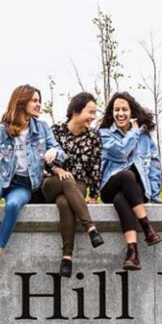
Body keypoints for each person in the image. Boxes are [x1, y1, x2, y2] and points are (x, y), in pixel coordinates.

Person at [0, 84, 64, 280]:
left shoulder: (41, 128)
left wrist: (55, 152)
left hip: (25, 184)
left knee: (13, 205)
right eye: (34, 100)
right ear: (22, 102)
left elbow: (60, 151)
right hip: (2, 178)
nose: (38, 104)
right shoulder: (2, 130)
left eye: (39, 100)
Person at [98, 91, 162, 271]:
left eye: (124, 109)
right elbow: (121, 152)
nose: (120, 113)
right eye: (116, 109)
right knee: (126, 175)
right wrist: (134, 132)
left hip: (135, 190)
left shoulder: (145, 137)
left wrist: (155, 195)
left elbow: (155, 165)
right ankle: (147, 228)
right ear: (111, 113)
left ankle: (132, 252)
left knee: (122, 199)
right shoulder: (104, 134)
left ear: (131, 112)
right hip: (109, 186)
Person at [45, 92, 105, 277]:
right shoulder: (55, 131)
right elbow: (43, 158)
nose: (93, 117)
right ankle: (90, 228)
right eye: (90, 112)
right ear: (75, 111)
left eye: (95, 113)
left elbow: (96, 166)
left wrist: (94, 195)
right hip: (51, 181)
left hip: (78, 185)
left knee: (64, 203)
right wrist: (58, 170)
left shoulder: (94, 136)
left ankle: (67, 258)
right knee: (66, 180)